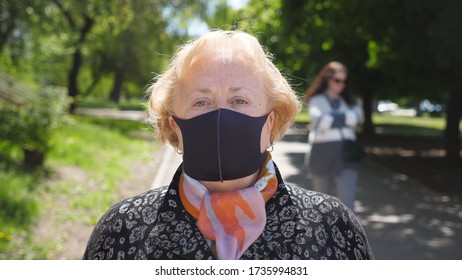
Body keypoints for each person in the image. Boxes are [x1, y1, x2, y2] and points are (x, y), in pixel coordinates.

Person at [83, 31, 373, 260]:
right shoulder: (122, 229)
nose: (220, 115)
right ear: (175, 125)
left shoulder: (334, 226)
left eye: (239, 101)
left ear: (270, 122)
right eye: (201, 102)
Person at [303, 61, 363, 211]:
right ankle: (324, 234)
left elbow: (356, 118)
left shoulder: (348, 100)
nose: (341, 84)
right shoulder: (316, 100)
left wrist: (331, 118)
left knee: (347, 200)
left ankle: (349, 234)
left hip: (346, 153)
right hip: (321, 152)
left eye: (344, 81)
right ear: (328, 80)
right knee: (321, 202)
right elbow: (320, 121)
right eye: (337, 80)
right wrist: (345, 119)